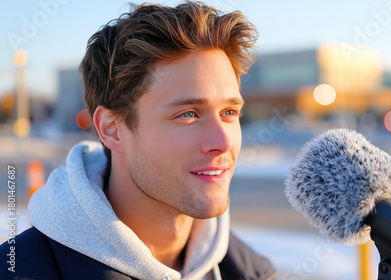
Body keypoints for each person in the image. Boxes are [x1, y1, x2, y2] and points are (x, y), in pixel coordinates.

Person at [1, 2, 278, 279]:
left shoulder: (254, 272)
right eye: (189, 114)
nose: (223, 142)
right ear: (111, 129)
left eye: (229, 112)